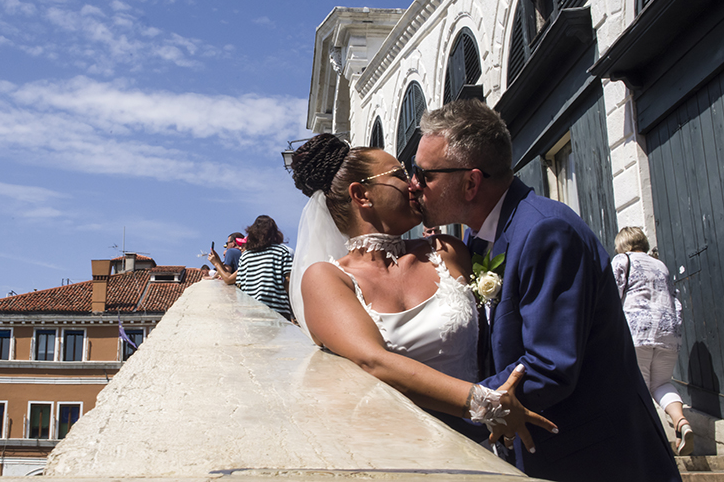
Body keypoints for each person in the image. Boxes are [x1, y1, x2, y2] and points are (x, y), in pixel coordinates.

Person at [411, 99, 680, 482]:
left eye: (424, 174)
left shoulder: (546, 231)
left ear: (470, 182)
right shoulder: (479, 236)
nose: (413, 184)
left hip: (600, 460)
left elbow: (549, 367)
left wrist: (436, 410)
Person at [289, 133, 556, 450]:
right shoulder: (326, 278)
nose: (414, 184)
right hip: (400, 450)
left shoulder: (447, 251)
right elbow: (372, 360)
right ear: (361, 195)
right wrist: (485, 404)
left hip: (487, 442)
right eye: (400, 175)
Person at [613, 226, 692, 455]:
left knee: (637, 388)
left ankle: (645, 446)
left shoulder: (622, 260)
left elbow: (612, 296)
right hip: (668, 332)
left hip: (638, 332)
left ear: (622, 244)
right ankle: (681, 422)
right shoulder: (661, 266)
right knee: (662, 384)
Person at [209, 216, 294, 320]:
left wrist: (217, 263)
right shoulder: (281, 251)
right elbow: (289, 280)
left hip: (251, 312)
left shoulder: (246, 256)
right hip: (278, 311)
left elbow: (239, 284)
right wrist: (279, 292)